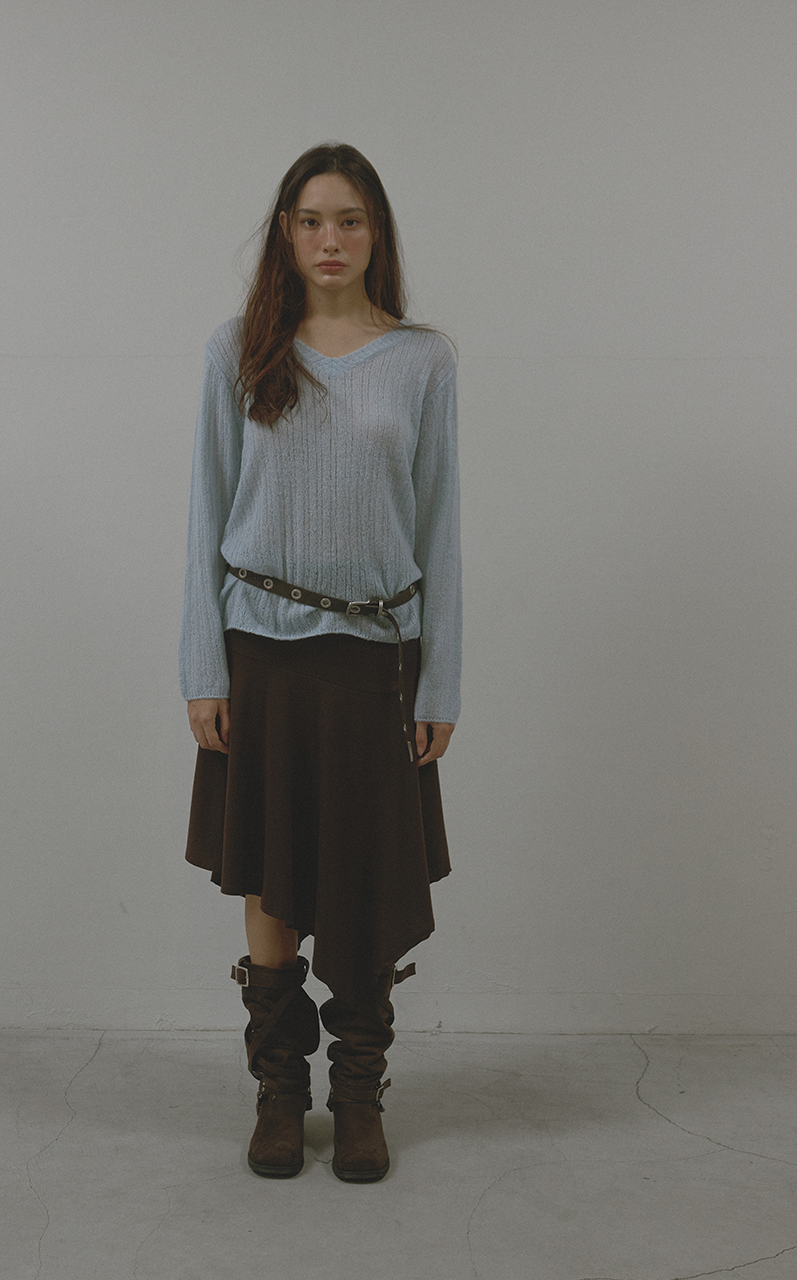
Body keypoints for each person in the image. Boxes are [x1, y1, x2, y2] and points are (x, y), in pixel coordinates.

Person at [179, 142, 461, 1182]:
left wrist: (442, 679)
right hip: (262, 651)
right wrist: (203, 667)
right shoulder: (239, 350)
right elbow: (206, 512)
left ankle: (357, 1092)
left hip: (378, 656)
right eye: (310, 220)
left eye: (349, 219)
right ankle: (279, 1092)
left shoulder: (423, 361)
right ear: (286, 234)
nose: (329, 239)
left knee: (367, 867)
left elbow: (440, 528)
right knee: (271, 865)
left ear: (375, 232)